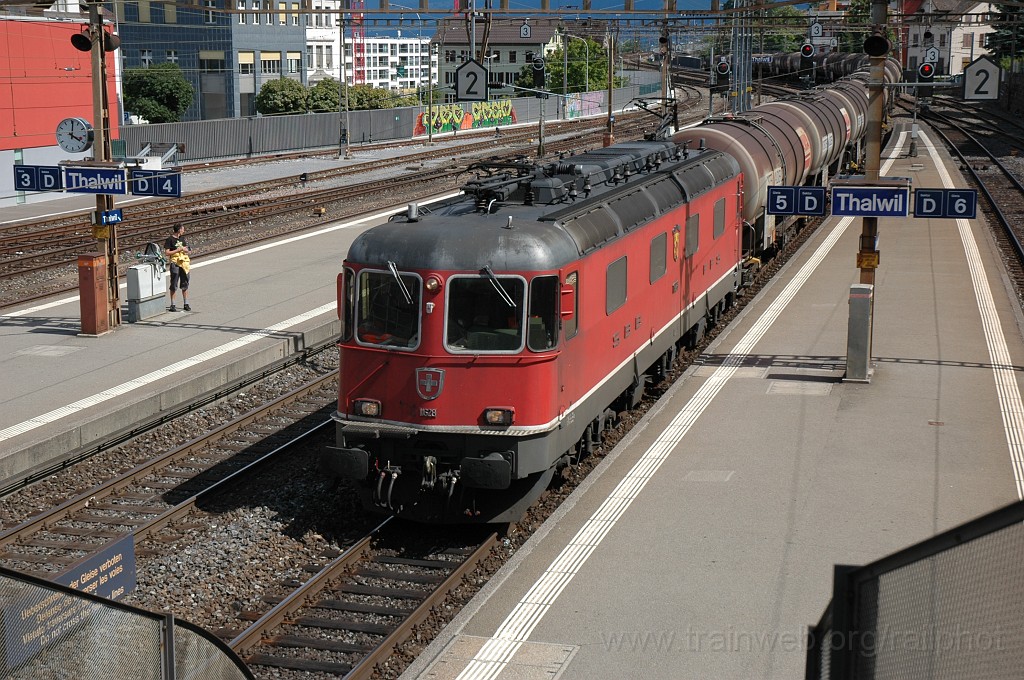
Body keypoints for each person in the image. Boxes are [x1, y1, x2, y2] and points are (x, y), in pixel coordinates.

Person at [164, 223, 191, 312]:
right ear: (179, 230)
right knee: (173, 284)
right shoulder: (170, 240)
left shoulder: (182, 239)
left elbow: (187, 250)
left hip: (184, 263)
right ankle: (173, 304)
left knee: (185, 284)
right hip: (175, 263)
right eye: (183, 229)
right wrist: (177, 250)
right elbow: (167, 252)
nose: (184, 231)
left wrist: (186, 250)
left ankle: (186, 303)